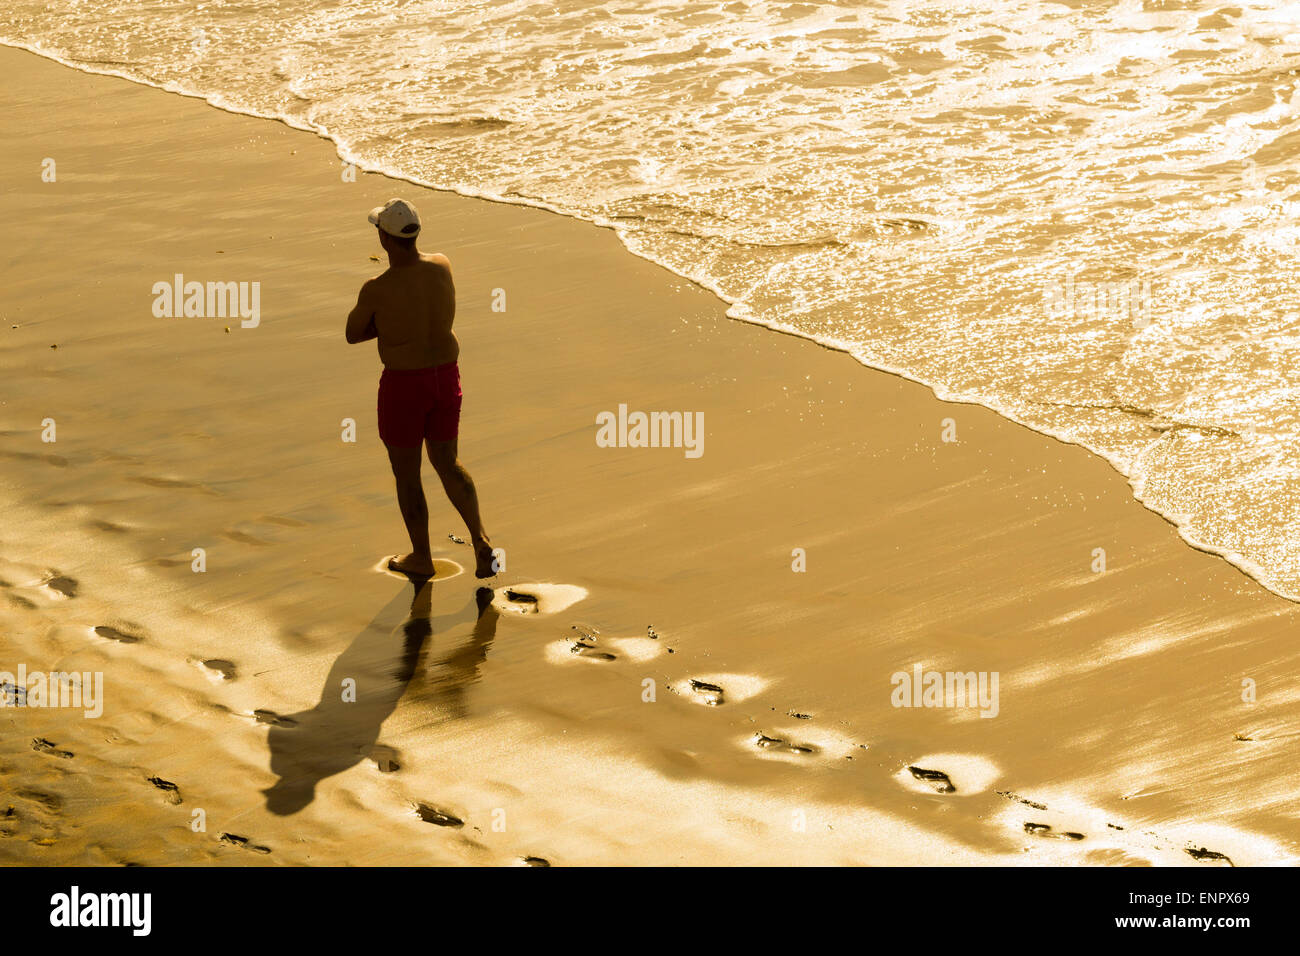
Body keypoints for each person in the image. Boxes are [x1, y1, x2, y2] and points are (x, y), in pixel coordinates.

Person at [345, 197, 495, 578]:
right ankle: (480, 539)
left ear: (385, 238)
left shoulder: (377, 287)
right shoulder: (442, 265)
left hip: (405, 386)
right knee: (448, 462)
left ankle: (421, 557)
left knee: (407, 474)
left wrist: (389, 327)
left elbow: (352, 333)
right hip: (446, 377)